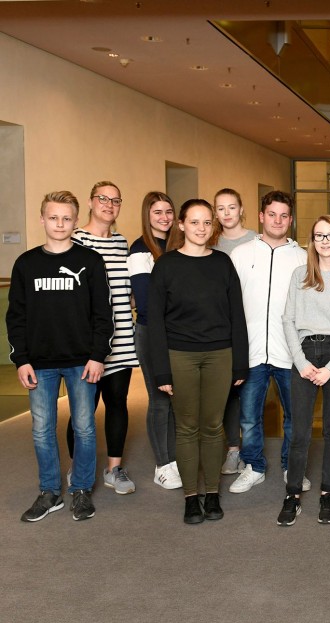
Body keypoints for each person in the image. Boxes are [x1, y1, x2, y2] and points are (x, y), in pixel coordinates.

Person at [11, 191, 112, 522]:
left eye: (67, 218)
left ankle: (81, 490)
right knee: (42, 428)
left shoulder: (91, 261)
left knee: (84, 427)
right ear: (42, 219)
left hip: (82, 362)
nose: (59, 223)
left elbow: (103, 314)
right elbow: (17, 316)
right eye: (53, 217)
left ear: (75, 221)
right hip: (39, 363)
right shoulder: (26, 264)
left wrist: (98, 356)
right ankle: (50, 491)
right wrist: (21, 359)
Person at [148, 199, 248, 524]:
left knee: (213, 426)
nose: (202, 228)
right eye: (194, 222)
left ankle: (213, 494)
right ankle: (192, 497)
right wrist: (161, 369)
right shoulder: (165, 265)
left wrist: (240, 364)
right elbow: (156, 324)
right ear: (181, 225)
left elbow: (237, 316)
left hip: (220, 355)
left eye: (207, 222)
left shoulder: (222, 263)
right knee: (187, 427)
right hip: (180, 356)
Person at [279, 215, 330, 526]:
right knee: (299, 431)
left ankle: (328, 493)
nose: (325, 241)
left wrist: (329, 368)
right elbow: (288, 320)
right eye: (319, 236)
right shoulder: (300, 274)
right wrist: (301, 363)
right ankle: (292, 495)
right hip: (303, 353)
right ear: (312, 241)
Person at [228, 191, 308, 495]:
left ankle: (292, 466)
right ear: (261, 216)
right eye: (272, 214)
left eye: (284, 215)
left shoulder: (302, 257)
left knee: (295, 416)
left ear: (291, 219)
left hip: (290, 353)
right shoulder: (241, 254)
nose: (278, 220)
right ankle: (254, 467)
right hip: (250, 352)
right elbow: (231, 304)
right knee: (249, 418)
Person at [69, 181, 138, 494]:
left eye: (115, 200)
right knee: (82, 412)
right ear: (90, 201)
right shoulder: (75, 240)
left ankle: (114, 469)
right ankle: (77, 466)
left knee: (117, 405)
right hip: (88, 344)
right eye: (103, 199)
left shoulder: (122, 242)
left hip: (121, 337)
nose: (109, 205)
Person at [128, 191, 182, 489]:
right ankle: (162, 465)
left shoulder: (176, 247)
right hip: (152, 333)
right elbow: (146, 303)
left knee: (174, 399)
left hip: (176, 334)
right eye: (157, 212)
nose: (164, 217)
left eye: (168, 211)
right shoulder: (140, 250)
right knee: (160, 399)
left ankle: (174, 459)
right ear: (147, 215)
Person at [211, 188, 257, 477]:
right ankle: (232, 449)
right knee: (228, 393)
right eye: (221, 208)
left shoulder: (256, 240)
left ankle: (253, 451)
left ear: (241, 210)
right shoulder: (211, 243)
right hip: (221, 326)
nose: (227, 213)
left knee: (250, 392)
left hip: (252, 324)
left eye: (232, 207)